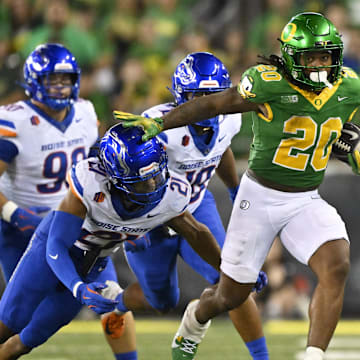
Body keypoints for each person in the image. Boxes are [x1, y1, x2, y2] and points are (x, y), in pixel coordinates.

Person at [114, 12, 359, 360]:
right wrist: (161, 122)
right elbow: (214, 104)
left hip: (306, 198)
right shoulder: (268, 83)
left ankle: (314, 354)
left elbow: (344, 135)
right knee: (231, 295)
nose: (319, 65)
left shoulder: (349, 85)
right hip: (259, 198)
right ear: (291, 58)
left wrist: (352, 149)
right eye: (310, 57)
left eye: (325, 56)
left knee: (336, 264)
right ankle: (196, 317)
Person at [0, 123, 222, 359]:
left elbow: (196, 233)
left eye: (156, 176)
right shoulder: (90, 182)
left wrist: (228, 270)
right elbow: (56, 245)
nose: (152, 186)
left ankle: (116, 302)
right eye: (140, 181)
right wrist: (78, 288)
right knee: (10, 323)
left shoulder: (172, 193)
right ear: (114, 177)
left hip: (92, 266)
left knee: (26, 342)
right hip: (52, 255)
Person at [122, 52, 269, 360]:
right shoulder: (157, 127)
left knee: (233, 284)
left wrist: (232, 188)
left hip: (197, 206)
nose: (206, 103)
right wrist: (130, 225)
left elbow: (222, 146)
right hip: (151, 221)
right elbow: (124, 180)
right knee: (162, 301)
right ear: (180, 96)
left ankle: (260, 357)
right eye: (197, 96)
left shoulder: (230, 116)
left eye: (213, 94)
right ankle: (115, 300)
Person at [0, 43, 136, 360]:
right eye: (52, 80)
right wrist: (13, 213)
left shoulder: (86, 113)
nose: (60, 86)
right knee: (19, 317)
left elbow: (98, 169)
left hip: (76, 225)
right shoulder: (13, 121)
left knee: (111, 300)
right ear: (34, 81)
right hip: (21, 228)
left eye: (65, 79)